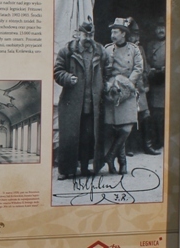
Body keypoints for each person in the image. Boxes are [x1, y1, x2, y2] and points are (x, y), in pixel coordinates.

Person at [54, 20, 108, 180]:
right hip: (72, 104)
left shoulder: (100, 51)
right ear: (78, 34)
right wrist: (67, 78)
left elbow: (108, 70)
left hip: (93, 104)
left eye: (91, 35)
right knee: (69, 138)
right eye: (86, 34)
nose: (88, 38)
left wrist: (105, 84)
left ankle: (85, 168)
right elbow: (57, 71)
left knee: (88, 137)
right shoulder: (67, 51)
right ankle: (65, 170)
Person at [99, 18, 144, 174]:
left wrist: (128, 83)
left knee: (126, 128)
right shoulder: (107, 49)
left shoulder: (134, 49)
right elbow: (102, 70)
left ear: (123, 34)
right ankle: (121, 164)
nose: (112, 35)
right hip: (112, 92)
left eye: (115, 32)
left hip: (128, 91)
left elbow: (138, 68)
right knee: (115, 129)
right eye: (112, 32)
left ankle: (110, 156)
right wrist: (108, 85)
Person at [127, 19, 158, 156]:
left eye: (137, 34)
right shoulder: (123, 49)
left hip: (140, 89)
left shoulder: (140, 49)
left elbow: (145, 68)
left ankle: (147, 146)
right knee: (129, 117)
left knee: (145, 116)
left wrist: (146, 84)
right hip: (128, 88)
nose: (135, 37)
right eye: (133, 34)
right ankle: (129, 147)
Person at [145, 21, 167, 150]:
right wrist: (150, 70)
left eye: (163, 27)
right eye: (158, 27)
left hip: (165, 82)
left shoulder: (170, 44)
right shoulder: (150, 45)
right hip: (154, 82)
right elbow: (146, 61)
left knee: (164, 113)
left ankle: (164, 139)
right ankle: (157, 140)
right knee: (155, 114)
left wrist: (165, 68)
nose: (160, 30)